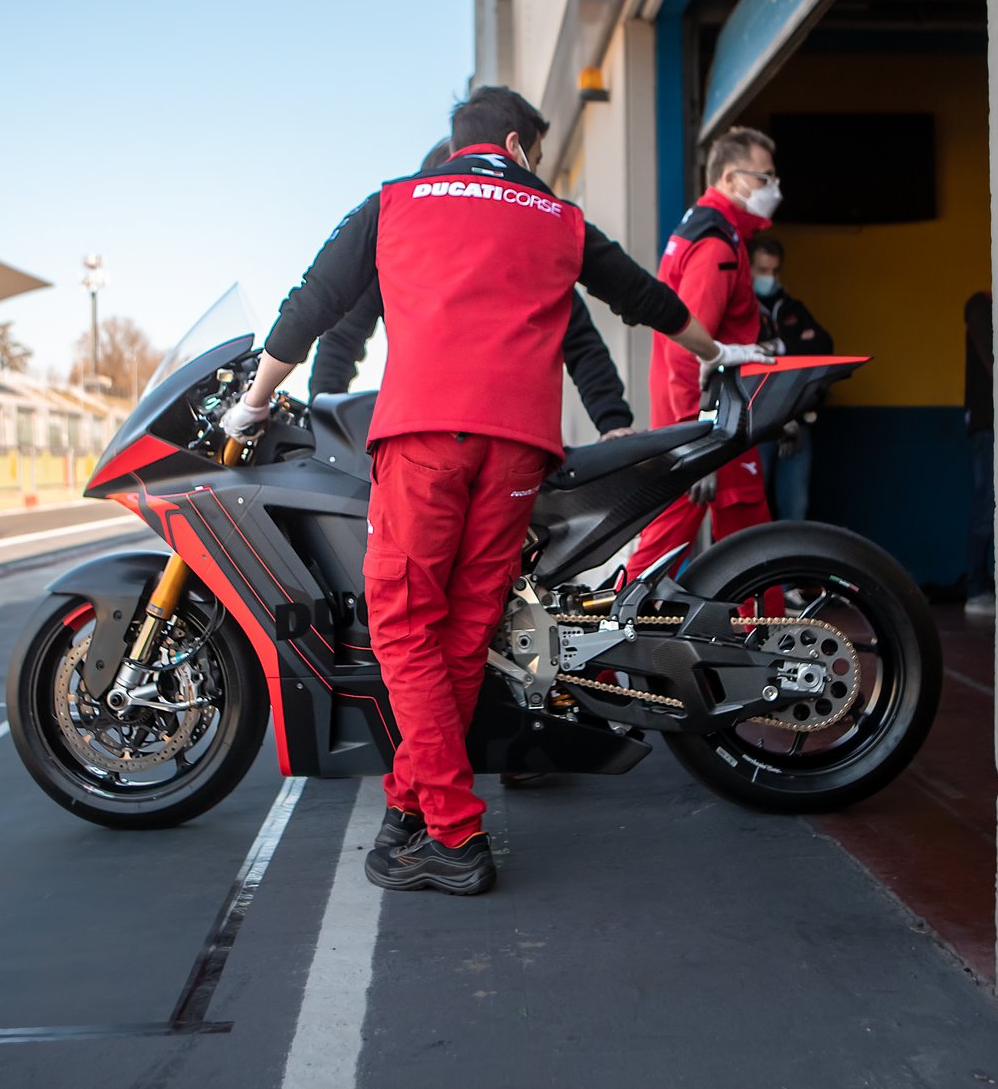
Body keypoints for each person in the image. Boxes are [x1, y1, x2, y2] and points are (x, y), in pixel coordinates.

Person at [222, 87, 766, 895]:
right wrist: (716, 352)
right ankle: (410, 804)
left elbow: (313, 306)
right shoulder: (557, 217)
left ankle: (452, 832)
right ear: (515, 145)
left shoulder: (396, 202)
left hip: (425, 438)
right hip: (517, 449)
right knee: (465, 629)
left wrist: (255, 400)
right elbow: (642, 298)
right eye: (536, 156)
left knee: (404, 624)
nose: (535, 170)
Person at [310, 141, 637, 440]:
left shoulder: (523, 263)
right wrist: (322, 420)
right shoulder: (398, 262)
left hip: (494, 437)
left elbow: (581, 344)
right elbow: (342, 340)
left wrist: (613, 422)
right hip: (448, 434)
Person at [622, 127, 783, 582]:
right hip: (712, 422)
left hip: (708, 421)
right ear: (731, 179)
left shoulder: (712, 229)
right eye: (764, 178)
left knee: (694, 539)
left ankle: (622, 619)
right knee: (744, 549)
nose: (774, 190)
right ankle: (619, 620)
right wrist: (696, 445)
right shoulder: (716, 245)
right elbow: (686, 347)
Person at [749, 236, 834, 521]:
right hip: (756, 423)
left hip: (796, 417)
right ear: (748, 268)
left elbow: (823, 344)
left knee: (796, 508)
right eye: (762, 270)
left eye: (775, 271)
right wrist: (797, 344)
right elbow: (746, 353)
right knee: (752, 508)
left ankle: (790, 554)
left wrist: (777, 346)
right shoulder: (742, 308)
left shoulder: (791, 308)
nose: (770, 278)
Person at [963, 290, 995, 616]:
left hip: (993, 422)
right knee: (988, 505)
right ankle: (976, 587)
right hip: (990, 422)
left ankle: (981, 584)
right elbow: (994, 364)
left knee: (991, 504)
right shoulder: (981, 308)